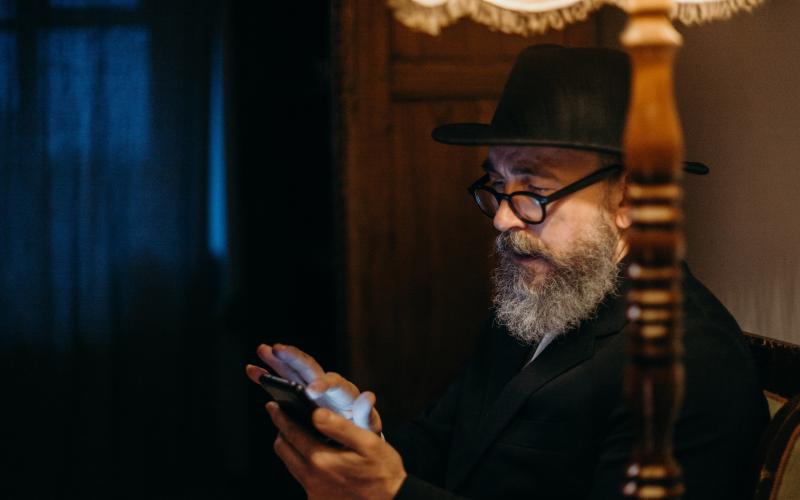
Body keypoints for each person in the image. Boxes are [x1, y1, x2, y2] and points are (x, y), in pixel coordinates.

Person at [245, 45, 769, 499]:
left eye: (534, 192)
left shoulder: (686, 363)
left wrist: (392, 495)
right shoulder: (538, 299)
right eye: (498, 186)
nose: (501, 218)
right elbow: (441, 445)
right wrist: (360, 439)